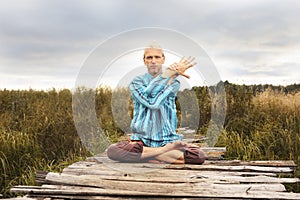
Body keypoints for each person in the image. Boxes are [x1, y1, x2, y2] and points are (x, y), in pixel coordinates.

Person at [106, 42, 206, 164]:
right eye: (149, 57)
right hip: (142, 141)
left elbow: (154, 99)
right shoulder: (136, 82)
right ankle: (163, 153)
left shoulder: (174, 83)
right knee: (113, 150)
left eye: (157, 57)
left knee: (198, 155)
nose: (153, 61)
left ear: (163, 59)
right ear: (144, 61)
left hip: (166, 139)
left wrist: (168, 76)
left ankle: (149, 156)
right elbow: (152, 103)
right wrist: (168, 74)